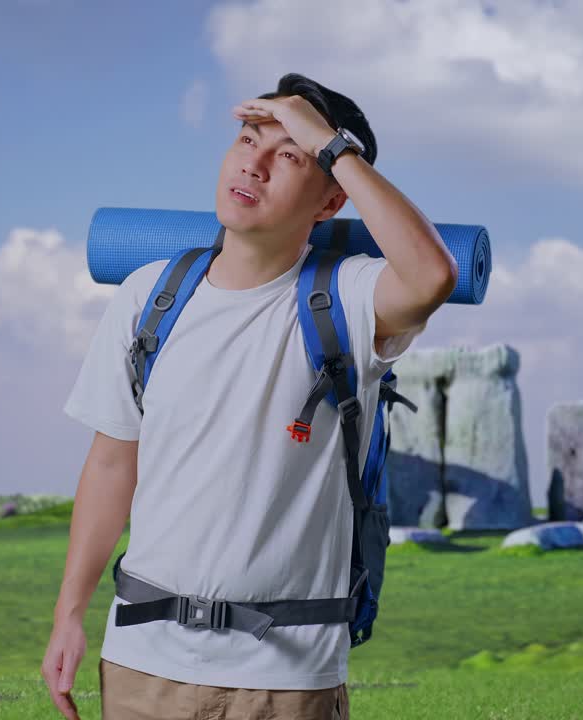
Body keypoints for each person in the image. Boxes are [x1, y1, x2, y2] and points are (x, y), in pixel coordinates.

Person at [43, 73, 458, 719]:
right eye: (247, 138)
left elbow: (432, 275)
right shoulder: (150, 296)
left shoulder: (350, 299)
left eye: (289, 155)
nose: (254, 164)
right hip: (142, 663)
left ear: (329, 203)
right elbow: (110, 463)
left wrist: (330, 143)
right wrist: (69, 613)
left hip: (287, 678)